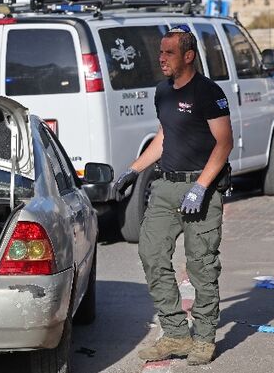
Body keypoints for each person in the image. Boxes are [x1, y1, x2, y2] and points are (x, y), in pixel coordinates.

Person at [112, 25, 233, 366]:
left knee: (201, 266)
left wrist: (201, 186)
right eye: (160, 52)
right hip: (165, 187)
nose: (161, 58)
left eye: (168, 53)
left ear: (188, 56)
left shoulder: (208, 92)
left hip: (202, 189)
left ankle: (204, 338)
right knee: (151, 255)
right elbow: (164, 136)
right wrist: (133, 170)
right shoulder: (162, 91)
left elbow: (224, 143)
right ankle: (176, 333)